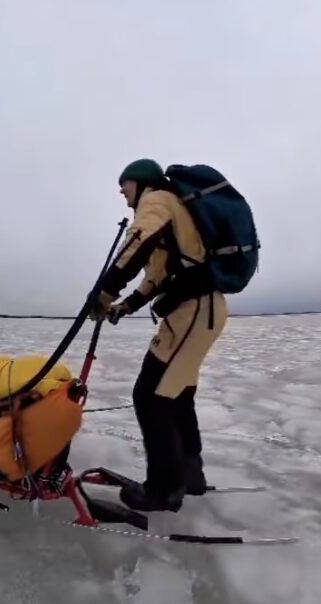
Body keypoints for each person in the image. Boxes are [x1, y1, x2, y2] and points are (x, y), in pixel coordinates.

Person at [90, 158, 229, 512]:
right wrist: (124, 305)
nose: (122, 193)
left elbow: (138, 242)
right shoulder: (172, 210)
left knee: (150, 396)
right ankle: (190, 475)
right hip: (195, 312)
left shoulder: (157, 201)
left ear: (141, 181)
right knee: (177, 395)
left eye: (125, 185)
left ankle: (164, 489)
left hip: (194, 311)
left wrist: (104, 291)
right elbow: (157, 277)